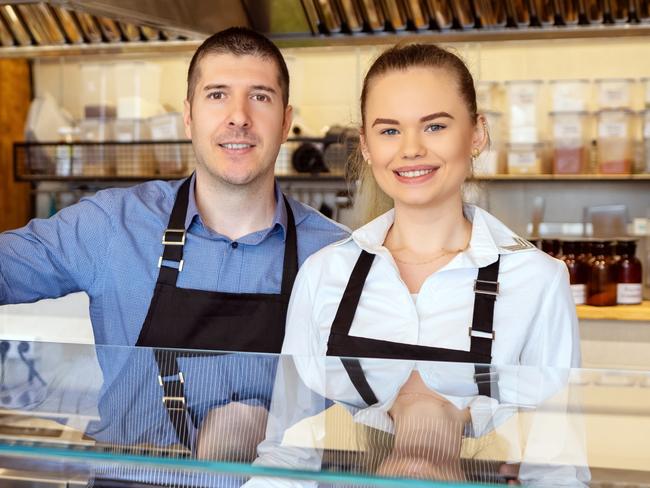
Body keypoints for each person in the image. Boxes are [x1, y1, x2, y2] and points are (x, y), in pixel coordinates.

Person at [0, 26, 348, 464]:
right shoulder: (113, 225)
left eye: (259, 96)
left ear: (285, 120)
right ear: (189, 116)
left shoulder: (338, 255)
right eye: (217, 94)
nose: (238, 116)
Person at [249, 42, 585, 487]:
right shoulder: (324, 275)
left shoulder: (537, 281)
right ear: (365, 145)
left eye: (435, 126)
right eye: (389, 131)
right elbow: (286, 455)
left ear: (477, 134)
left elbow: (557, 471)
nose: (411, 149)